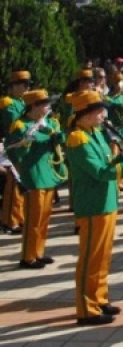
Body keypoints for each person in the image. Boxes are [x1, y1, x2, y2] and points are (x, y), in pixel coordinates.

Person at [67, 89, 123, 326]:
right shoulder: (78, 138)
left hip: (107, 201)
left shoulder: (96, 133)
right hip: (92, 204)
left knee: (103, 256)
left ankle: (99, 298)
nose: (103, 115)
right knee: (91, 257)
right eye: (99, 111)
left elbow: (109, 163)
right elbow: (100, 172)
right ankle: (86, 308)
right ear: (86, 114)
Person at [5, 89, 65, 268]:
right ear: (34, 106)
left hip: (48, 173)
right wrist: (28, 138)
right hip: (32, 174)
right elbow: (14, 153)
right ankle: (28, 256)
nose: (48, 107)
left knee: (44, 218)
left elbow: (61, 140)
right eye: (45, 104)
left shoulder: (50, 122)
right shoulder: (20, 125)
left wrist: (51, 131)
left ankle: (39, 251)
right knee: (33, 219)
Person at [1, 70, 31, 234]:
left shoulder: (22, 102)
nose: (27, 88)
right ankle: (9, 220)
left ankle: (19, 217)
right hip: (14, 146)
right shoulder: (8, 102)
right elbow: (13, 123)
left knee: (22, 184)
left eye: (28, 85)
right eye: (23, 85)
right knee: (14, 184)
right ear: (14, 86)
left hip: (24, 146)